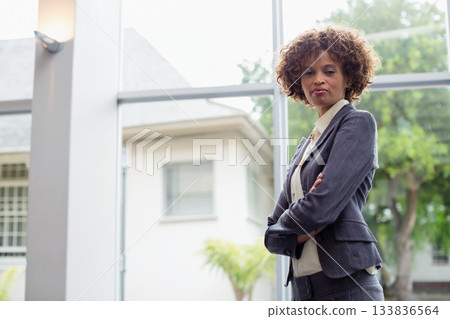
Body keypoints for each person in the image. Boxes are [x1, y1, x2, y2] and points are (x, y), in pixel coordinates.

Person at [264, 26, 384, 301]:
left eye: (329, 71)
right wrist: (306, 228)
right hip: (303, 290)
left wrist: (304, 219)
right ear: (298, 81)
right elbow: (271, 236)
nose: (318, 79)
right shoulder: (305, 147)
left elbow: (324, 204)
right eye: (308, 72)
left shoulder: (357, 123)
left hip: (348, 285)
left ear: (348, 77)